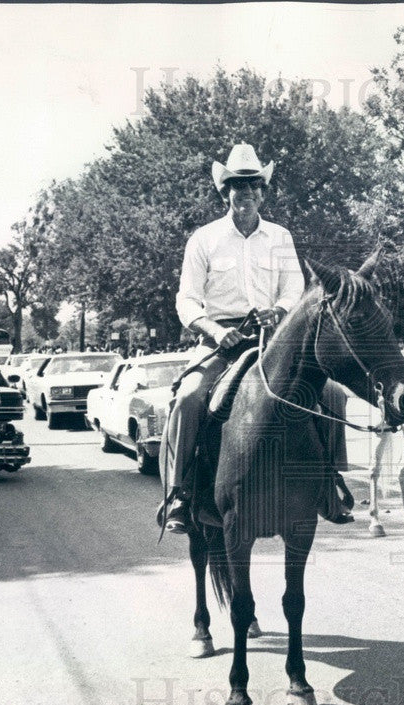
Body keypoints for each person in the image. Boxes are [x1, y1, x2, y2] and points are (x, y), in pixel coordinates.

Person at [158, 142, 352, 532]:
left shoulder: (280, 237)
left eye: (252, 185)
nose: (244, 192)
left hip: (272, 339)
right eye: (236, 185)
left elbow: (294, 288)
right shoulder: (204, 239)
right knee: (188, 397)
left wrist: (279, 311)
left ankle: (330, 482)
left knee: (332, 393)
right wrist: (214, 329)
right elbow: (187, 300)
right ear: (224, 191)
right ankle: (180, 492)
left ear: (262, 191)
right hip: (219, 342)